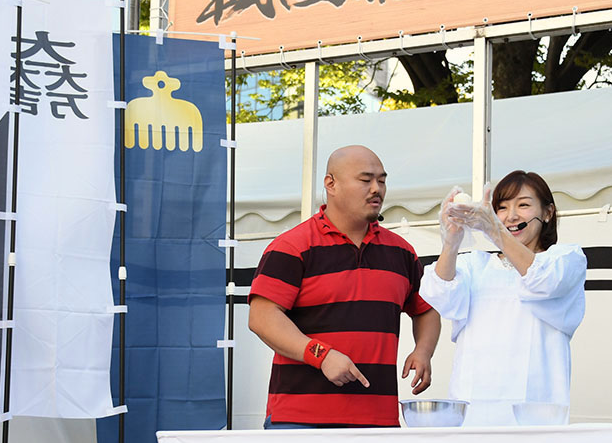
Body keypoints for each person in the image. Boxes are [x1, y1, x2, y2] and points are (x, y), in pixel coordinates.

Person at [248, 145, 440, 428]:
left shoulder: (401, 252)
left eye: (382, 180)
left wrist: (423, 351)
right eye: (365, 180)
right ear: (331, 184)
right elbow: (261, 317)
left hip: (378, 422)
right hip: (299, 420)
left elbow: (426, 309)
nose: (376, 189)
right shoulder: (292, 247)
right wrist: (321, 356)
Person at [421, 172, 586, 426]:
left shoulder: (565, 259)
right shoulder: (475, 264)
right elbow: (440, 294)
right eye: (502, 208)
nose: (511, 216)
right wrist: (451, 241)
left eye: (523, 205)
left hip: (535, 414)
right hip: (473, 413)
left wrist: (494, 230)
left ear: (548, 212)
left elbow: (542, 280)